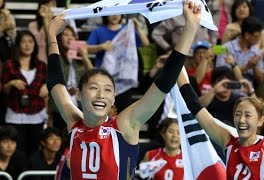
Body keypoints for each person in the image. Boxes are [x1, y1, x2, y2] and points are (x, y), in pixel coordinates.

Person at [46, 1, 201, 179]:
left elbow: (163, 83)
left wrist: (190, 27)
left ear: (113, 99)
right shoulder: (74, 123)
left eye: (107, 90)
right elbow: (56, 84)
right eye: (94, 88)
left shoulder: (125, 125)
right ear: (79, 94)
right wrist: (51, 34)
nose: (100, 95)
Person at [176, 67, 264, 179]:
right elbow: (195, 107)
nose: (242, 120)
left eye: (248, 115)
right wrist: (177, 68)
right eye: (238, 114)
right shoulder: (227, 141)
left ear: (260, 121)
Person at [1, 30, 48, 156]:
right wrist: (11, 83)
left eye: (30, 42)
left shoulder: (42, 66)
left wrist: (47, 86)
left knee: (34, 150)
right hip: (15, 114)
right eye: (23, 42)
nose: (27, 45)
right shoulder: (9, 64)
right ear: (18, 45)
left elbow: (50, 86)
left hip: (37, 114)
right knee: (17, 152)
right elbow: (3, 90)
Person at [47, 25, 93, 129]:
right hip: (60, 105)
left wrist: (85, 57)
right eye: (66, 35)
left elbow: (93, 76)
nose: (70, 38)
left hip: (79, 105)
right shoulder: (56, 57)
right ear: (59, 38)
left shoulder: (79, 60)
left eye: (72, 35)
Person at [216, 16, 264, 86]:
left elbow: (261, 80)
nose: (259, 39)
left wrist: (254, 67)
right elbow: (220, 76)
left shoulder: (257, 52)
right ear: (247, 35)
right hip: (228, 90)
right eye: (256, 36)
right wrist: (246, 67)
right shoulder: (224, 48)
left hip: (249, 93)